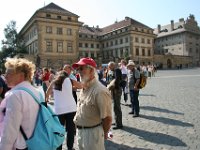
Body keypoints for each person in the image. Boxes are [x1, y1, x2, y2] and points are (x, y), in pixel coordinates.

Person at [72, 57, 112, 150]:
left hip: (92, 134)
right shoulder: (85, 87)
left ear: (91, 70)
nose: (79, 71)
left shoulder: (100, 91)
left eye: (82, 68)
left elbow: (107, 118)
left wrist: (103, 133)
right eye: (78, 69)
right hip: (80, 132)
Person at [0, 58, 40, 150]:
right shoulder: (35, 91)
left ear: (21, 76)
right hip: (35, 142)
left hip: (21, 145)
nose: (5, 76)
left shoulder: (15, 95)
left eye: (9, 73)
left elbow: (10, 129)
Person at [45, 70, 82, 150]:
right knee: (70, 130)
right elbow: (80, 86)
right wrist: (71, 87)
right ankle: (70, 147)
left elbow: (47, 93)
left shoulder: (54, 82)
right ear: (66, 75)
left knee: (59, 131)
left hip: (59, 109)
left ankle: (59, 148)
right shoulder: (69, 80)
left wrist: (46, 101)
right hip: (71, 108)